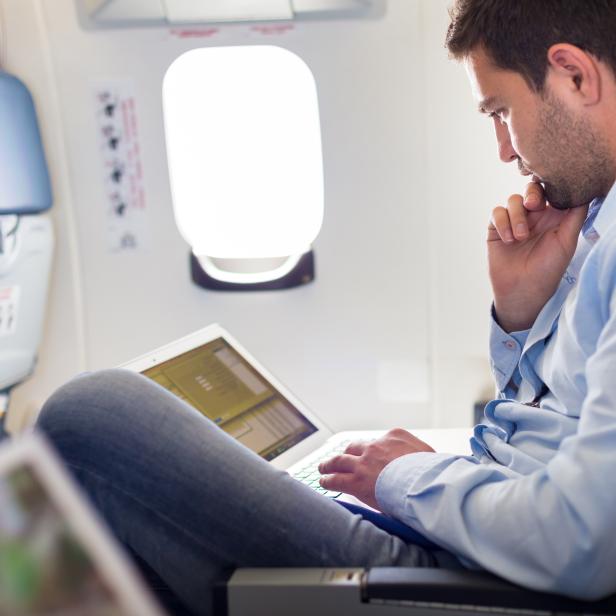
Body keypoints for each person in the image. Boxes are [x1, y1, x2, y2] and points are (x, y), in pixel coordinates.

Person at [37, 1, 616, 614]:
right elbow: (553, 429)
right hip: (482, 537)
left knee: (88, 415)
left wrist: (402, 477)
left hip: (482, 580)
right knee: (132, 539)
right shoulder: (593, 223)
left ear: (574, 75)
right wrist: (521, 318)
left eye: (500, 112)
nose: (504, 150)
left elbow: (582, 536)